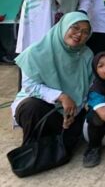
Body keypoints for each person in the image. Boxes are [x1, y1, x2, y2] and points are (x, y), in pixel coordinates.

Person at [12, 12, 93, 156]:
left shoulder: (86, 54)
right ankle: (32, 151)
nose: (79, 34)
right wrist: (61, 96)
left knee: (75, 136)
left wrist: (73, 112)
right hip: (41, 105)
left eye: (85, 32)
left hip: (71, 109)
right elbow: (30, 86)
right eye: (75, 28)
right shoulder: (36, 52)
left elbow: (88, 87)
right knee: (31, 107)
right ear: (63, 26)